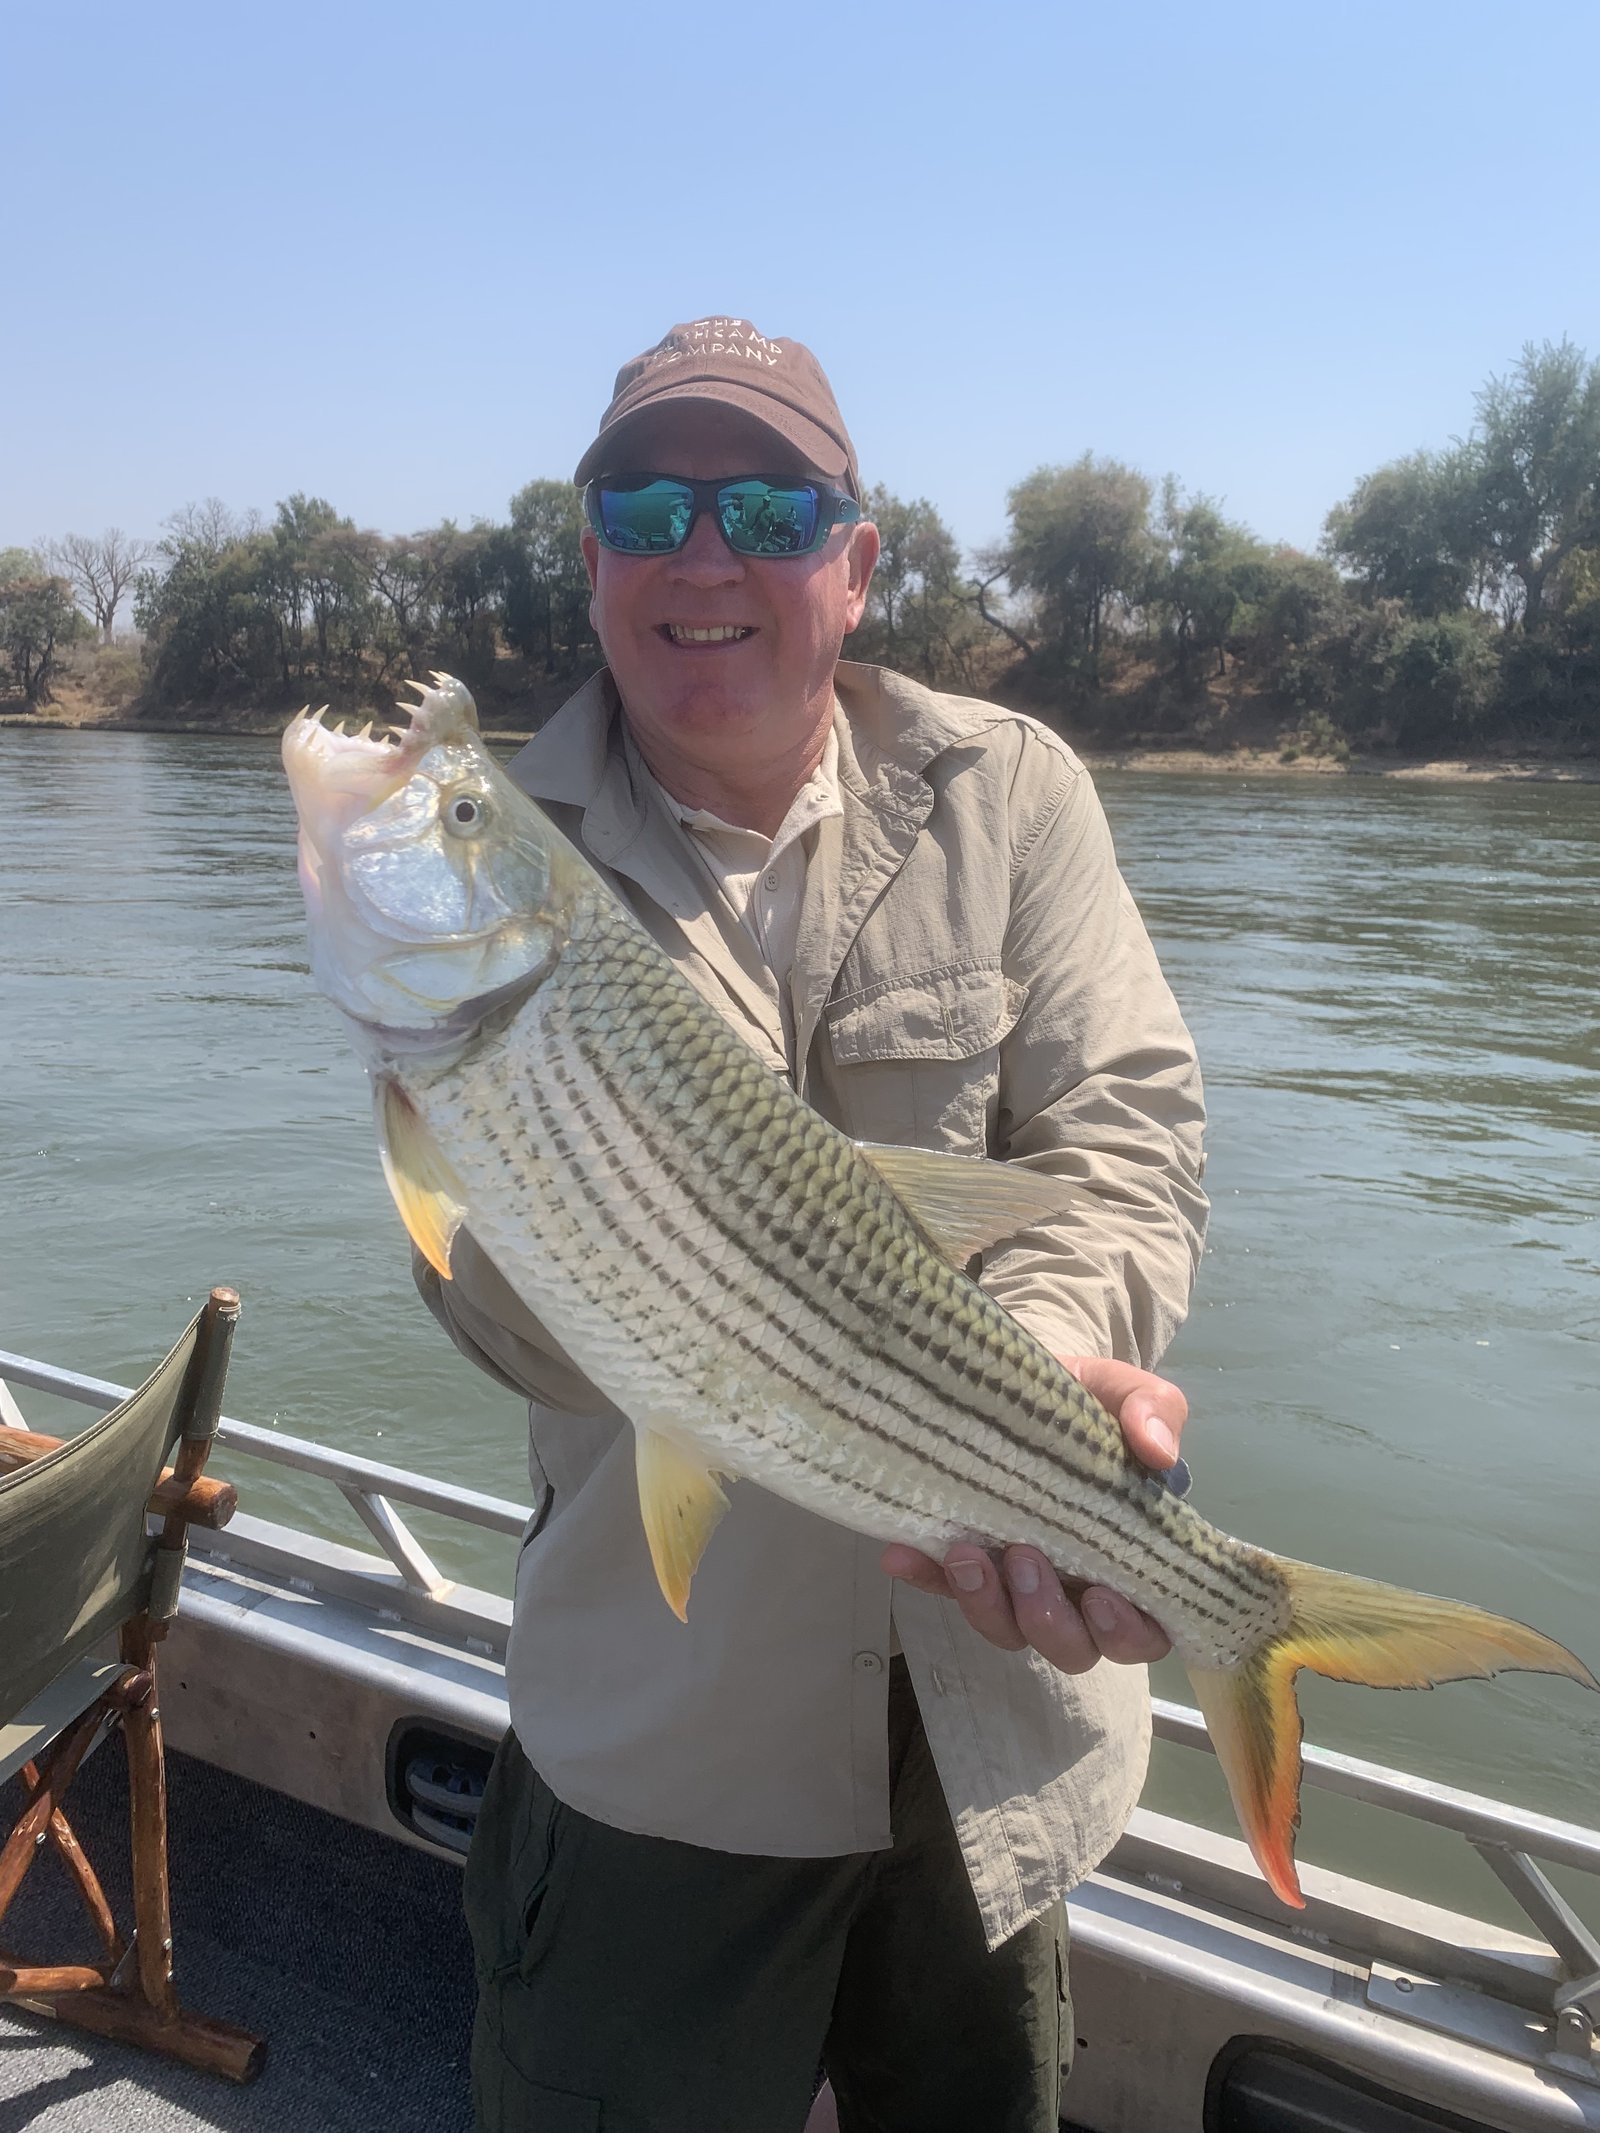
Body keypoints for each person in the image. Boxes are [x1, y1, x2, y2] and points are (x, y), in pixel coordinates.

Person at [416, 317, 1207, 2133]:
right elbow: (489, 1317)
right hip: (665, 1746)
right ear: (593, 551)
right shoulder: (486, 862)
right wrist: (547, 1163)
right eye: (650, 502)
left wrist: (1045, 1362)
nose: (708, 553)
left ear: (856, 565)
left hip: (1000, 1731)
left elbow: (1127, 1134)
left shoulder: (1014, 791)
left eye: (771, 504)